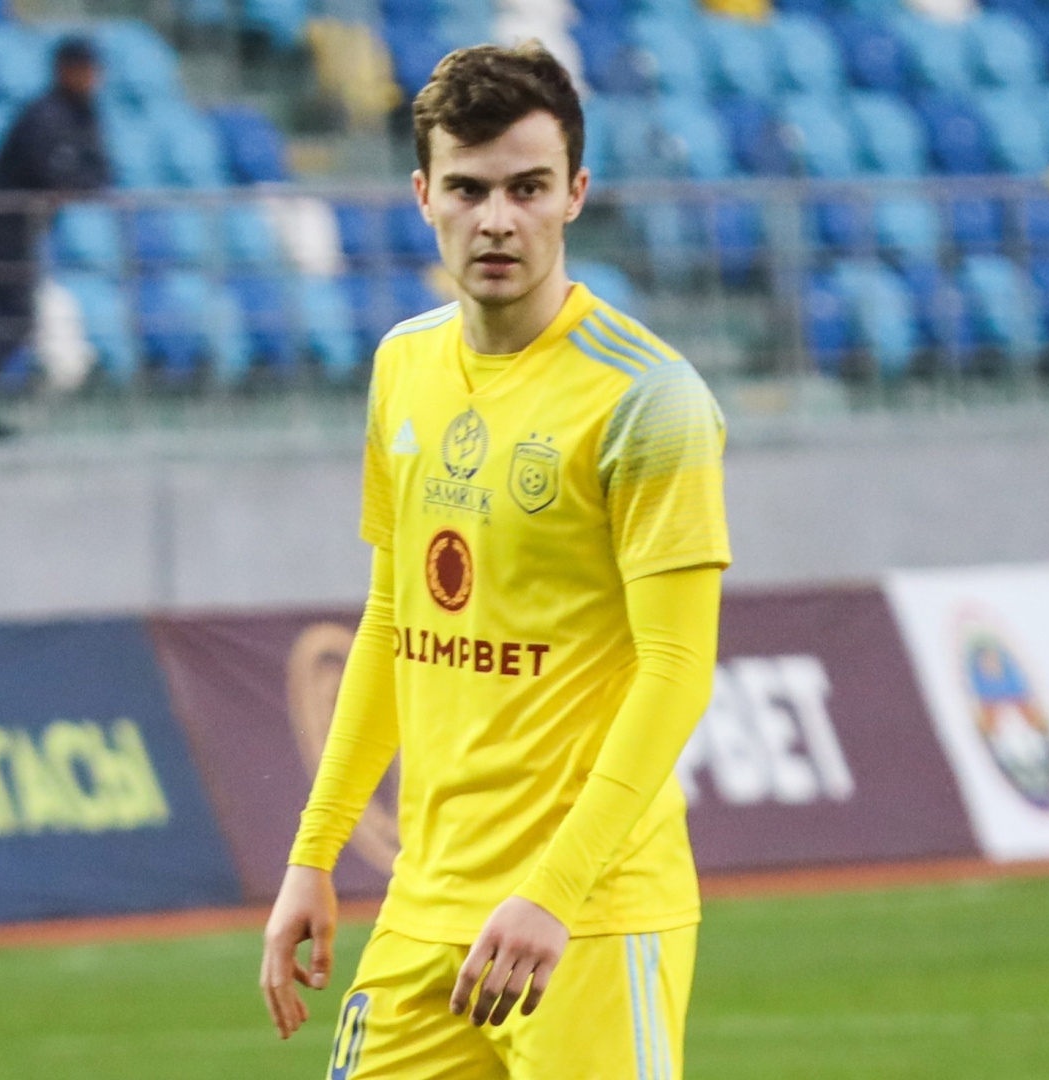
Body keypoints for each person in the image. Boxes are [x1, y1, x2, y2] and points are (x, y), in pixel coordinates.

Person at [260, 42, 730, 1080]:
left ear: (576, 195)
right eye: (469, 189)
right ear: (423, 195)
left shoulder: (652, 402)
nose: (498, 220)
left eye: (528, 188)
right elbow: (394, 623)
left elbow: (676, 670)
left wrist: (555, 894)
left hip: (590, 917)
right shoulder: (403, 364)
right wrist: (314, 854)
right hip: (426, 905)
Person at [0, 36, 111, 439]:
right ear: (64, 70)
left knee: (11, 317)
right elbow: (55, 174)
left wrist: (78, 182)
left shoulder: (82, 113)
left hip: (20, 227)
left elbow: (102, 172)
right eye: (83, 69)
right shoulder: (45, 115)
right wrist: (76, 182)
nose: (91, 78)